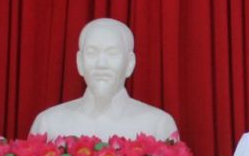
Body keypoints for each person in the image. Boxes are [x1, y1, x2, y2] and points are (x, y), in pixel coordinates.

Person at [29, 17, 179, 139]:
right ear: (79, 62)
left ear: (130, 63)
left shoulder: (158, 125)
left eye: (112, 53)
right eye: (92, 53)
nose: (101, 64)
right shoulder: (49, 124)